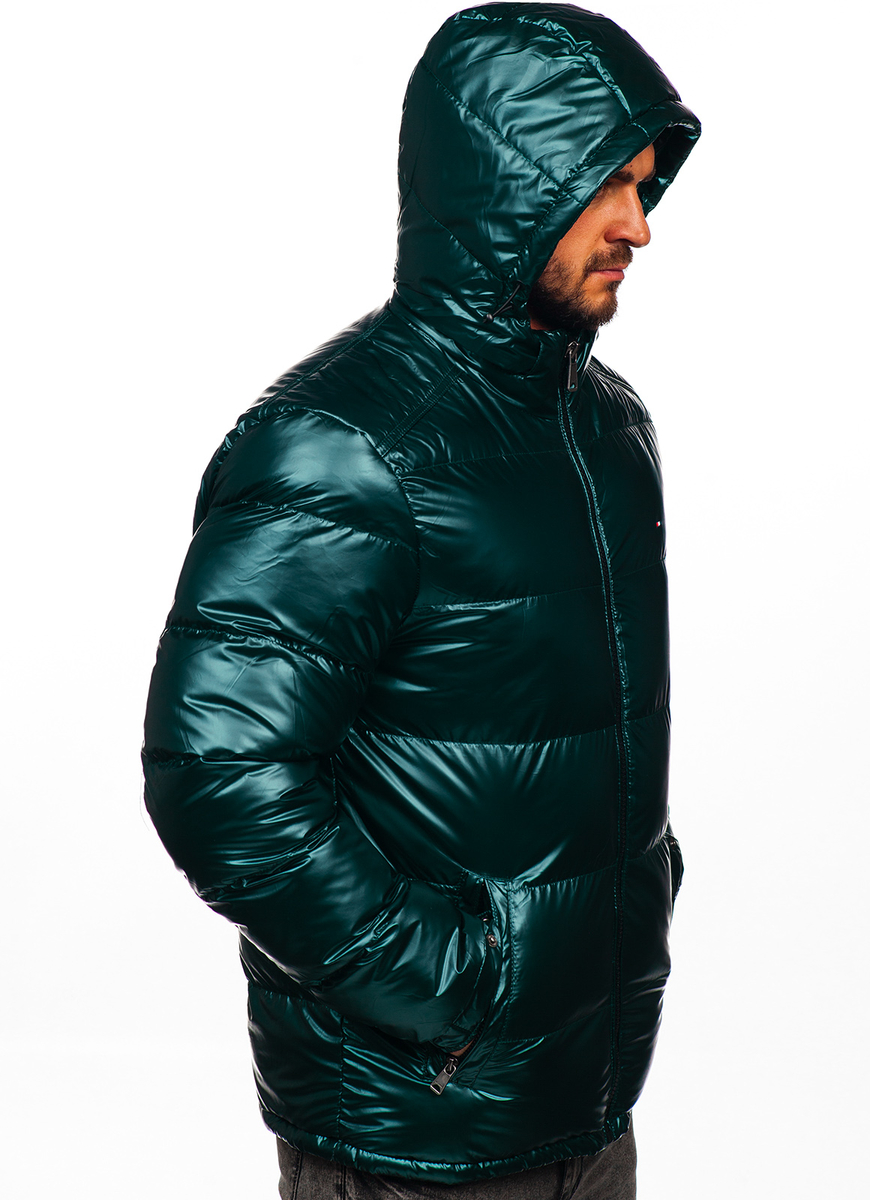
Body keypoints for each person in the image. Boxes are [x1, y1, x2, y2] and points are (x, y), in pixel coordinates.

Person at [143, 4, 700, 1196]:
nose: (639, 226)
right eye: (607, 185)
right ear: (511, 184)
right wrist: (457, 984)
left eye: (644, 185)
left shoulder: (606, 428)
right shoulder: (341, 446)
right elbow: (220, 773)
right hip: (417, 1129)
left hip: (589, 1101)